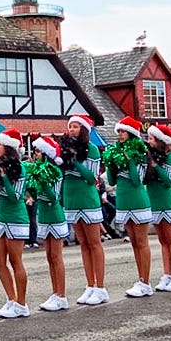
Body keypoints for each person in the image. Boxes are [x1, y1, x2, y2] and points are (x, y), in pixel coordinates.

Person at [61, 115, 109, 305]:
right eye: (70, 126)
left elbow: (92, 178)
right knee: (83, 243)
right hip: (71, 198)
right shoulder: (64, 150)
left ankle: (101, 287)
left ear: (84, 130)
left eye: (75, 126)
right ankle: (90, 285)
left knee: (94, 243)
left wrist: (75, 161)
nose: (71, 129)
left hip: (87, 198)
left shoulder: (92, 149)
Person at [106, 117, 155, 297]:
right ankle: (140, 278)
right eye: (118, 132)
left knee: (142, 242)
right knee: (133, 242)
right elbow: (111, 181)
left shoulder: (140, 152)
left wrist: (129, 160)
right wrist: (110, 164)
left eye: (123, 132)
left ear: (131, 133)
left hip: (137, 200)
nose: (119, 135)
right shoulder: (116, 151)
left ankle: (146, 281)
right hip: (123, 202)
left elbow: (137, 180)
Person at [0, 127, 30, 318]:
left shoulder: (19, 168)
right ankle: (11, 299)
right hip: (2, 218)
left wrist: (4, 179)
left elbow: (16, 197)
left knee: (15, 261)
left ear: (9, 147)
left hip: (16, 218)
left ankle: (22, 304)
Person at [30, 135, 71, 312]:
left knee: (56, 256)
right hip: (44, 216)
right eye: (35, 151)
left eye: (38, 151)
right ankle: (55, 293)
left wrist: (42, 182)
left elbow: (54, 197)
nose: (35, 154)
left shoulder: (54, 171)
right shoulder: (37, 170)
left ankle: (62, 295)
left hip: (54, 214)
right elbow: (34, 192)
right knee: (49, 257)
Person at [147, 125, 171, 292]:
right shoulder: (149, 156)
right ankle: (167, 274)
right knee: (162, 240)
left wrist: (155, 166)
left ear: (160, 141)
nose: (148, 142)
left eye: (151, 139)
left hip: (167, 202)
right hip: (153, 201)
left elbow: (170, 181)